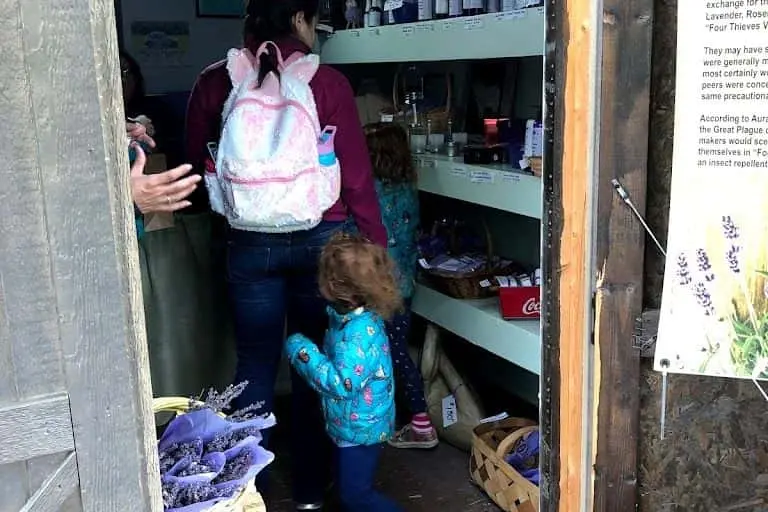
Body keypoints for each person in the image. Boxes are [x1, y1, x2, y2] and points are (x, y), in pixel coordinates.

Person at [185, 0, 387, 509]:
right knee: (317, 357)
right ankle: (311, 488)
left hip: (249, 242)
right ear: (300, 18)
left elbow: (197, 167)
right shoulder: (328, 82)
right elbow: (357, 176)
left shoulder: (216, 81)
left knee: (254, 359)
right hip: (323, 239)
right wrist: (376, 245)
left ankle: (244, 487)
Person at [285, 233, 404, 512]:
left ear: (337, 286)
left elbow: (342, 384)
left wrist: (301, 350)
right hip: (350, 422)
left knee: (355, 495)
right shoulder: (349, 317)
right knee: (346, 485)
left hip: (360, 428)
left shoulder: (358, 334)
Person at [364, 123, 439, 449]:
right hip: (404, 285)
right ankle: (406, 418)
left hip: (376, 286)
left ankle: (420, 423)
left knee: (386, 353)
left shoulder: (370, 191)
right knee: (397, 349)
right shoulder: (408, 187)